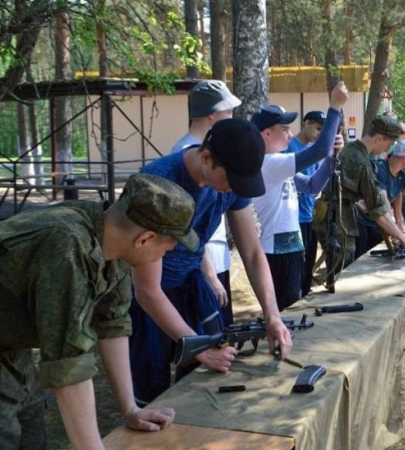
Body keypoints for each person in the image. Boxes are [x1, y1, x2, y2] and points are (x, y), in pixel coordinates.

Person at [0, 173, 196, 450]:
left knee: (31, 440)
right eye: (168, 246)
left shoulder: (111, 239)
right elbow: (68, 365)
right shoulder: (65, 246)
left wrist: (130, 408)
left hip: (8, 350)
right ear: (144, 238)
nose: (166, 254)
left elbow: (113, 324)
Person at [129, 119, 293, 406]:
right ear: (207, 158)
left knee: (204, 385)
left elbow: (253, 252)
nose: (232, 190)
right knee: (151, 392)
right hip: (148, 296)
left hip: (190, 283)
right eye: (230, 182)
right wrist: (196, 348)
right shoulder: (159, 183)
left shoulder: (232, 176)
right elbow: (146, 290)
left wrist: (272, 314)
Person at [251, 82, 348, 309]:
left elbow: (313, 186)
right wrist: (335, 107)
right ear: (266, 133)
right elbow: (318, 150)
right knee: (287, 308)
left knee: (292, 304)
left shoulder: (278, 163)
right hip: (277, 250)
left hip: (288, 246)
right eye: (283, 129)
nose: (288, 133)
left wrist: (333, 156)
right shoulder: (269, 162)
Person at [170, 79, 241, 325]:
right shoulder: (188, 155)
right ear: (212, 114)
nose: (232, 116)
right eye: (228, 111)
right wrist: (209, 274)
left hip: (214, 257)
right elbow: (188, 227)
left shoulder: (212, 152)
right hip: (196, 267)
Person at [314, 115, 405, 274]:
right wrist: (403, 239)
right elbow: (378, 210)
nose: (388, 149)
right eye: (389, 143)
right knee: (342, 271)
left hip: (330, 213)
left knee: (337, 268)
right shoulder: (362, 162)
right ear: (379, 138)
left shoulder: (351, 149)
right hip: (338, 219)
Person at [286, 110, 328, 297]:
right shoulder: (289, 147)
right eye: (318, 128)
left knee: (308, 266)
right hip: (292, 218)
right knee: (295, 269)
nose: (320, 133)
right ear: (306, 123)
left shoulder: (316, 151)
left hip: (310, 216)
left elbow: (317, 181)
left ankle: (304, 296)